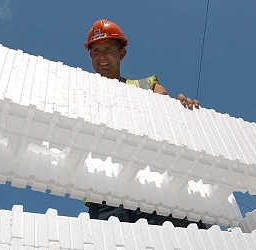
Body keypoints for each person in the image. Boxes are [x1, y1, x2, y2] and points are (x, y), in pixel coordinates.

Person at [84, 19, 207, 229]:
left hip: (154, 182)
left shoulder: (147, 85)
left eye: (107, 49)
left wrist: (183, 108)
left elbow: (169, 113)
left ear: (121, 54)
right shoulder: (80, 91)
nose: (101, 56)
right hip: (105, 188)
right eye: (96, 51)